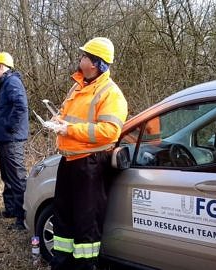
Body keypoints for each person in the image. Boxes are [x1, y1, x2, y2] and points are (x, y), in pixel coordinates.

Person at [50, 37, 128, 270]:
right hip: (69, 161)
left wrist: (69, 129)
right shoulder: (78, 85)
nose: (80, 58)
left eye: (84, 56)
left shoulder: (111, 93)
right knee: (63, 218)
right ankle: (61, 263)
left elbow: (110, 131)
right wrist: (58, 120)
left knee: (87, 224)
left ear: (94, 63)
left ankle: (85, 267)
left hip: (90, 166)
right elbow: (67, 113)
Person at [0, 52, 29, 230]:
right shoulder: (4, 84)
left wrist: (9, 126)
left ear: (1, 67)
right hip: (5, 138)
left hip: (12, 139)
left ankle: (22, 218)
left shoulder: (12, 82)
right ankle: (10, 209)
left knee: (17, 178)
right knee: (7, 176)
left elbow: (21, 106)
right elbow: (2, 105)